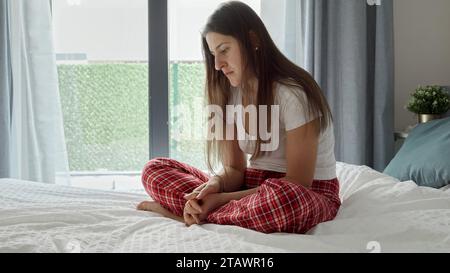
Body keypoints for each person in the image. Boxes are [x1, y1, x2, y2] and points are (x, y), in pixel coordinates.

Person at [137, 1, 341, 234]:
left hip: (305, 193)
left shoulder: (293, 94)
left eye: (224, 50)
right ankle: (200, 212)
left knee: (284, 200)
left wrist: (221, 200)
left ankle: (185, 214)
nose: (217, 65)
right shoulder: (229, 93)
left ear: (253, 40)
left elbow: (298, 182)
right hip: (251, 189)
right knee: (155, 169)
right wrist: (214, 186)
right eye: (213, 54)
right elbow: (235, 169)